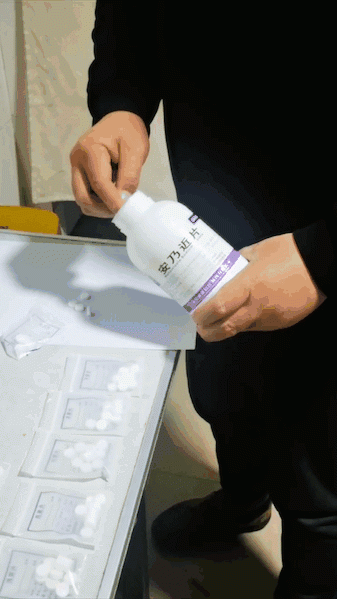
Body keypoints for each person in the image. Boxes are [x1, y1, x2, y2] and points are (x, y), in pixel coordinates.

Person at [70, 2, 337, 597]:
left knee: (319, 476)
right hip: (214, 206)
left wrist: (324, 257)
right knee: (223, 387)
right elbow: (127, 14)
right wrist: (121, 101)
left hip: (323, 229)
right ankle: (243, 502)